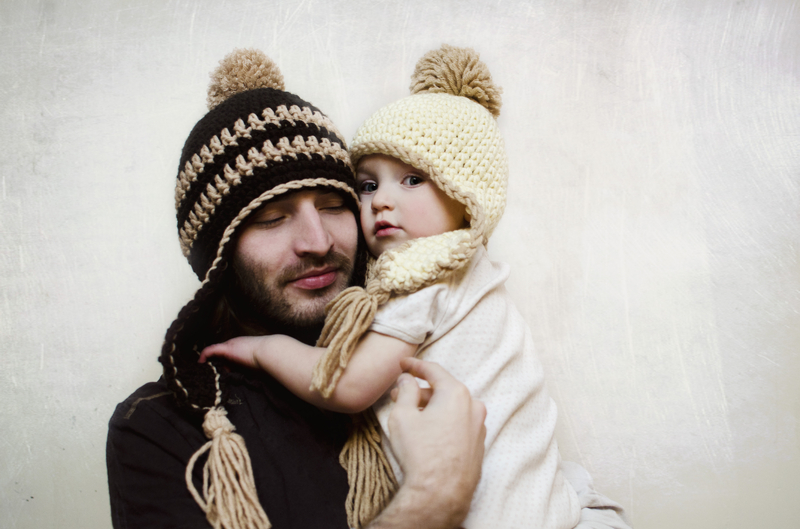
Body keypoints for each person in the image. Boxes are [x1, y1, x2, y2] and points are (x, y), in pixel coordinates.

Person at [106, 48, 631, 529]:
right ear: (218, 255)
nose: (317, 241)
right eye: (272, 218)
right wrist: (433, 497)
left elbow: (553, 484)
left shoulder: (422, 319)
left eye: (335, 205)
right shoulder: (160, 430)